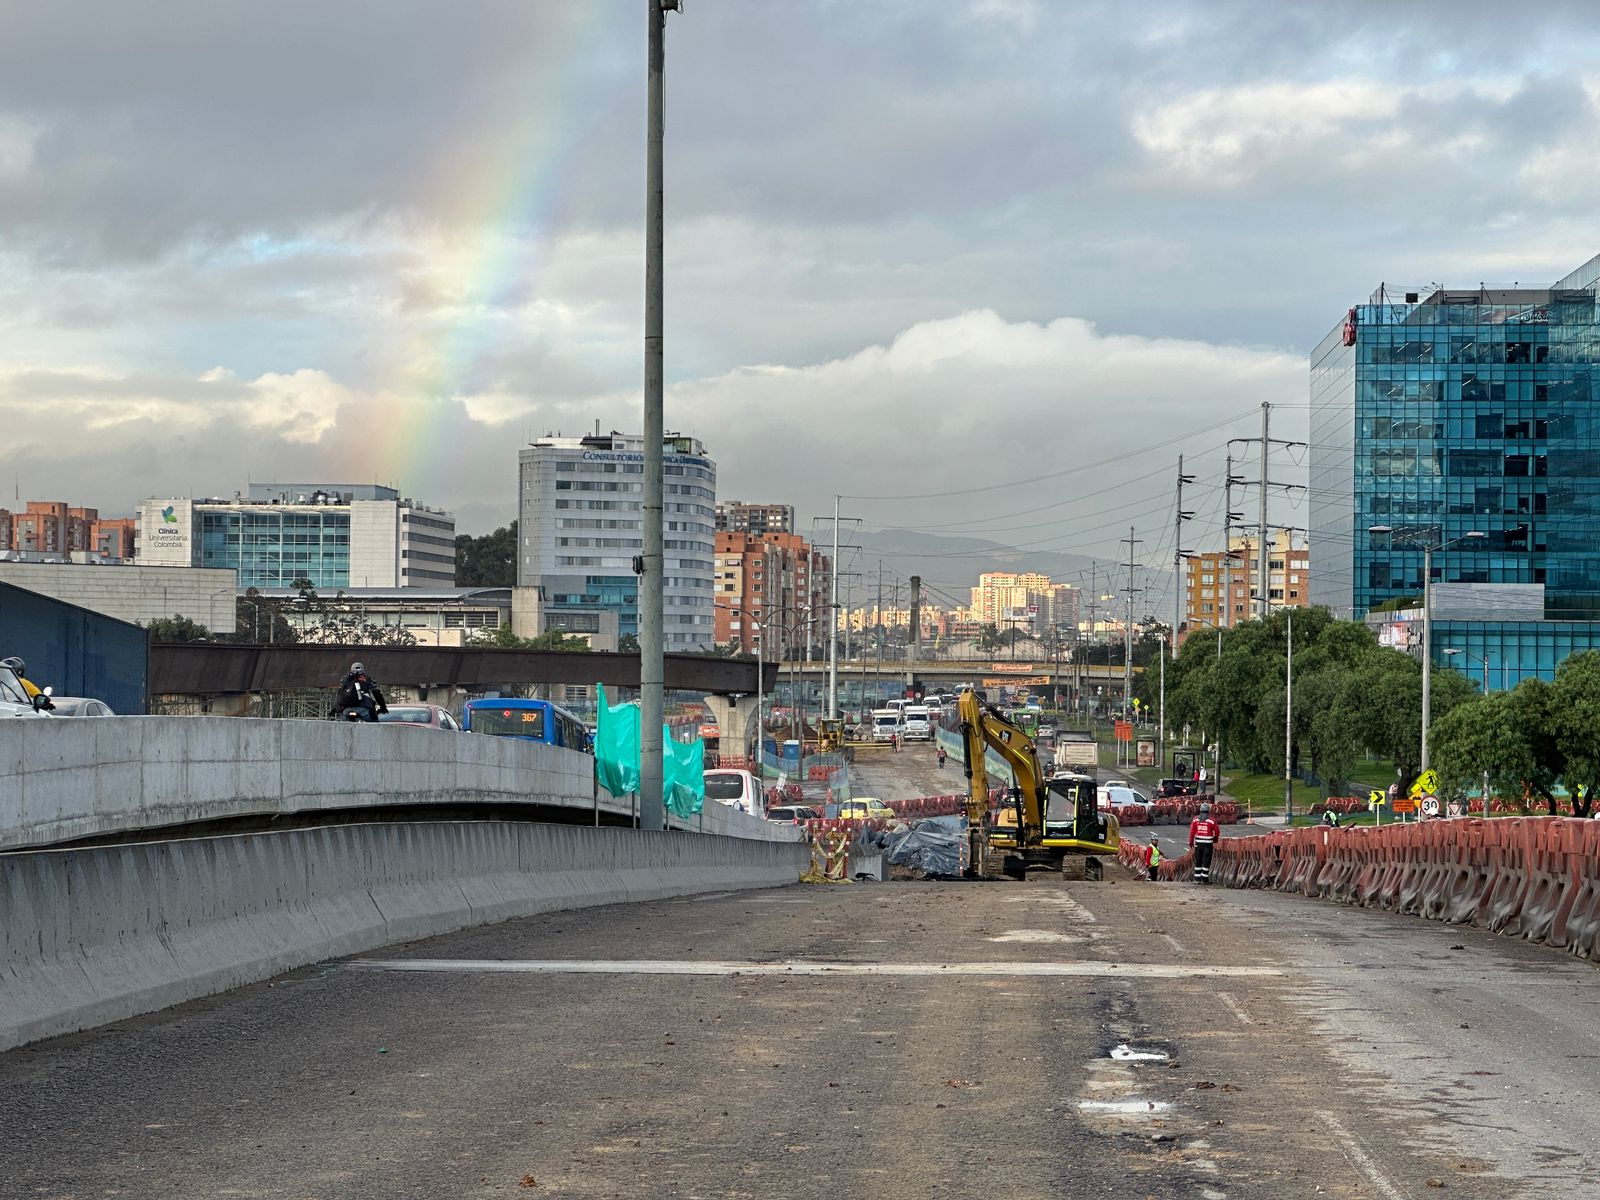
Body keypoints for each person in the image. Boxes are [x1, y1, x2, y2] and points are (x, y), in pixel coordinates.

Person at [1188, 803, 1219, 884]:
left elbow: (1192, 832)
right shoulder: (1212, 820)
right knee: (1206, 860)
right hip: (1208, 844)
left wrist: (1191, 842)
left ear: (1200, 810)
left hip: (1198, 843)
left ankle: (1197, 879)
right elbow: (1217, 832)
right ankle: (1204, 879)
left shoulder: (1195, 819)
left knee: (1198, 860)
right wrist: (1215, 840)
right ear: (1208, 810)